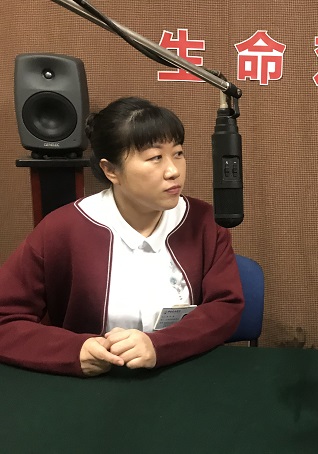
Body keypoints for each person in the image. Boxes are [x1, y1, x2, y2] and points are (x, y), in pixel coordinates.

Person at [0, 97, 244, 377]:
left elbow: (226, 306)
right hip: (92, 383)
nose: (173, 171)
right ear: (110, 170)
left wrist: (160, 345)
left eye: (178, 153)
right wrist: (73, 351)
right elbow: (5, 318)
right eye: (155, 158)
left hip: (182, 373)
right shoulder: (62, 229)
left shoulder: (204, 221)